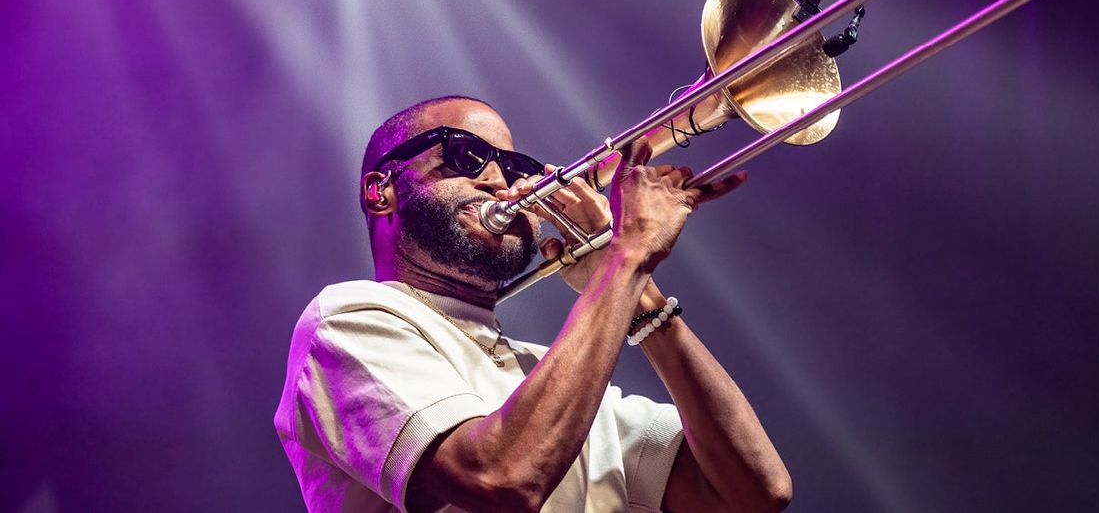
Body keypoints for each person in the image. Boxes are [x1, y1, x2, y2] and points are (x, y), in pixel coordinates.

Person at [274, 96, 792, 512]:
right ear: (380, 191)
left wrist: (639, 292)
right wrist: (628, 257)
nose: (501, 183)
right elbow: (500, 481)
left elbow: (755, 492)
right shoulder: (349, 319)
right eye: (465, 156)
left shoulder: (555, 375)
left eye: (514, 166)